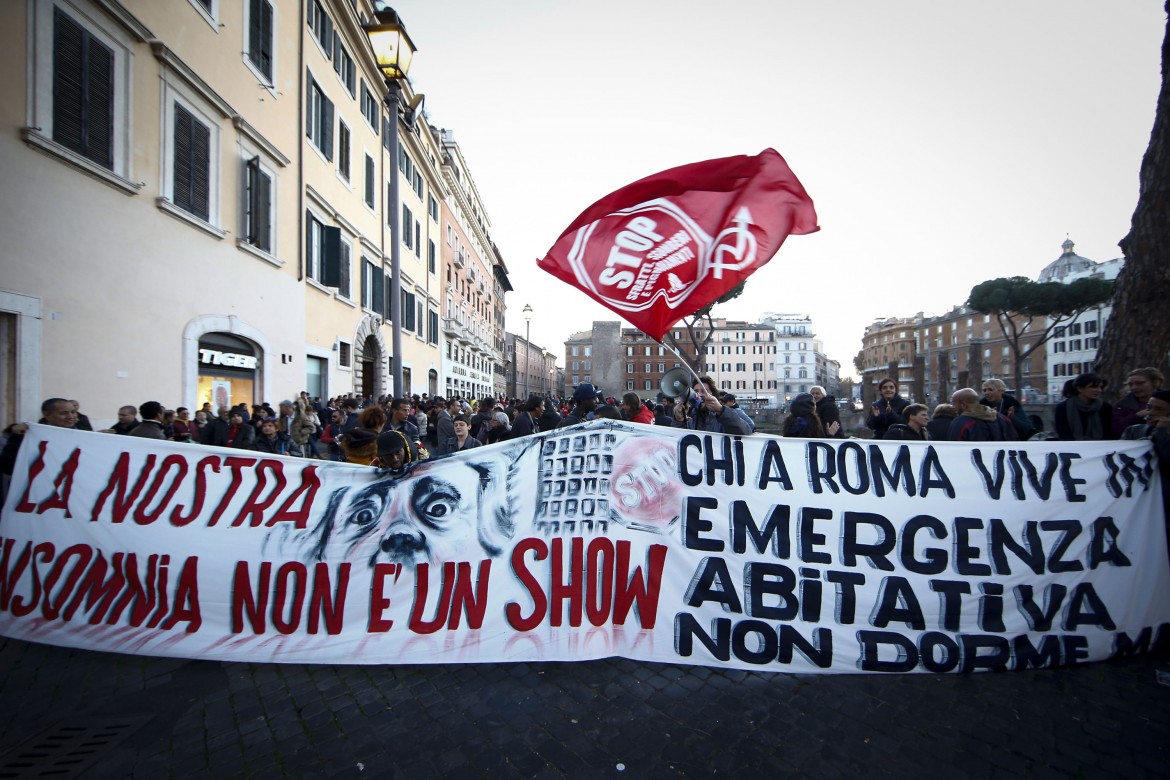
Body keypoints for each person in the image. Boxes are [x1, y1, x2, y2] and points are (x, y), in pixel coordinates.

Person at [1120, 389, 1170, 525]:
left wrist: (1162, 433)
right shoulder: (1133, 431)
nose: (1151, 412)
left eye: (1158, 409)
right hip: (1139, 498)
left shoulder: (1163, 432)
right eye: (1149, 407)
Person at [674, 377, 752, 435]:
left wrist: (720, 410)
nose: (699, 395)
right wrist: (679, 420)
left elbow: (746, 431)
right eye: (696, 391)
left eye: (704, 391)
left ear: (713, 395)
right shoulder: (691, 420)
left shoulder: (724, 416)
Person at [1054, 373, 1115, 441]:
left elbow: (1110, 433)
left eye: (1100, 387)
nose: (1099, 390)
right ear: (1079, 388)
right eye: (1093, 387)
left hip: (1101, 448)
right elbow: (1063, 434)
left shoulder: (1105, 408)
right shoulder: (1062, 408)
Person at [948, 388, 1018, 442]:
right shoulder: (1003, 419)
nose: (952, 407)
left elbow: (956, 449)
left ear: (963, 405)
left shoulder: (960, 423)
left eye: (954, 403)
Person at [1112, 367, 1164, 436]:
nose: (1134, 387)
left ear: (1154, 383)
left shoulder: (1166, 401)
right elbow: (1116, 430)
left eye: (1139, 383)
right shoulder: (1122, 405)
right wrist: (1136, 416)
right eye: (1130, 384)